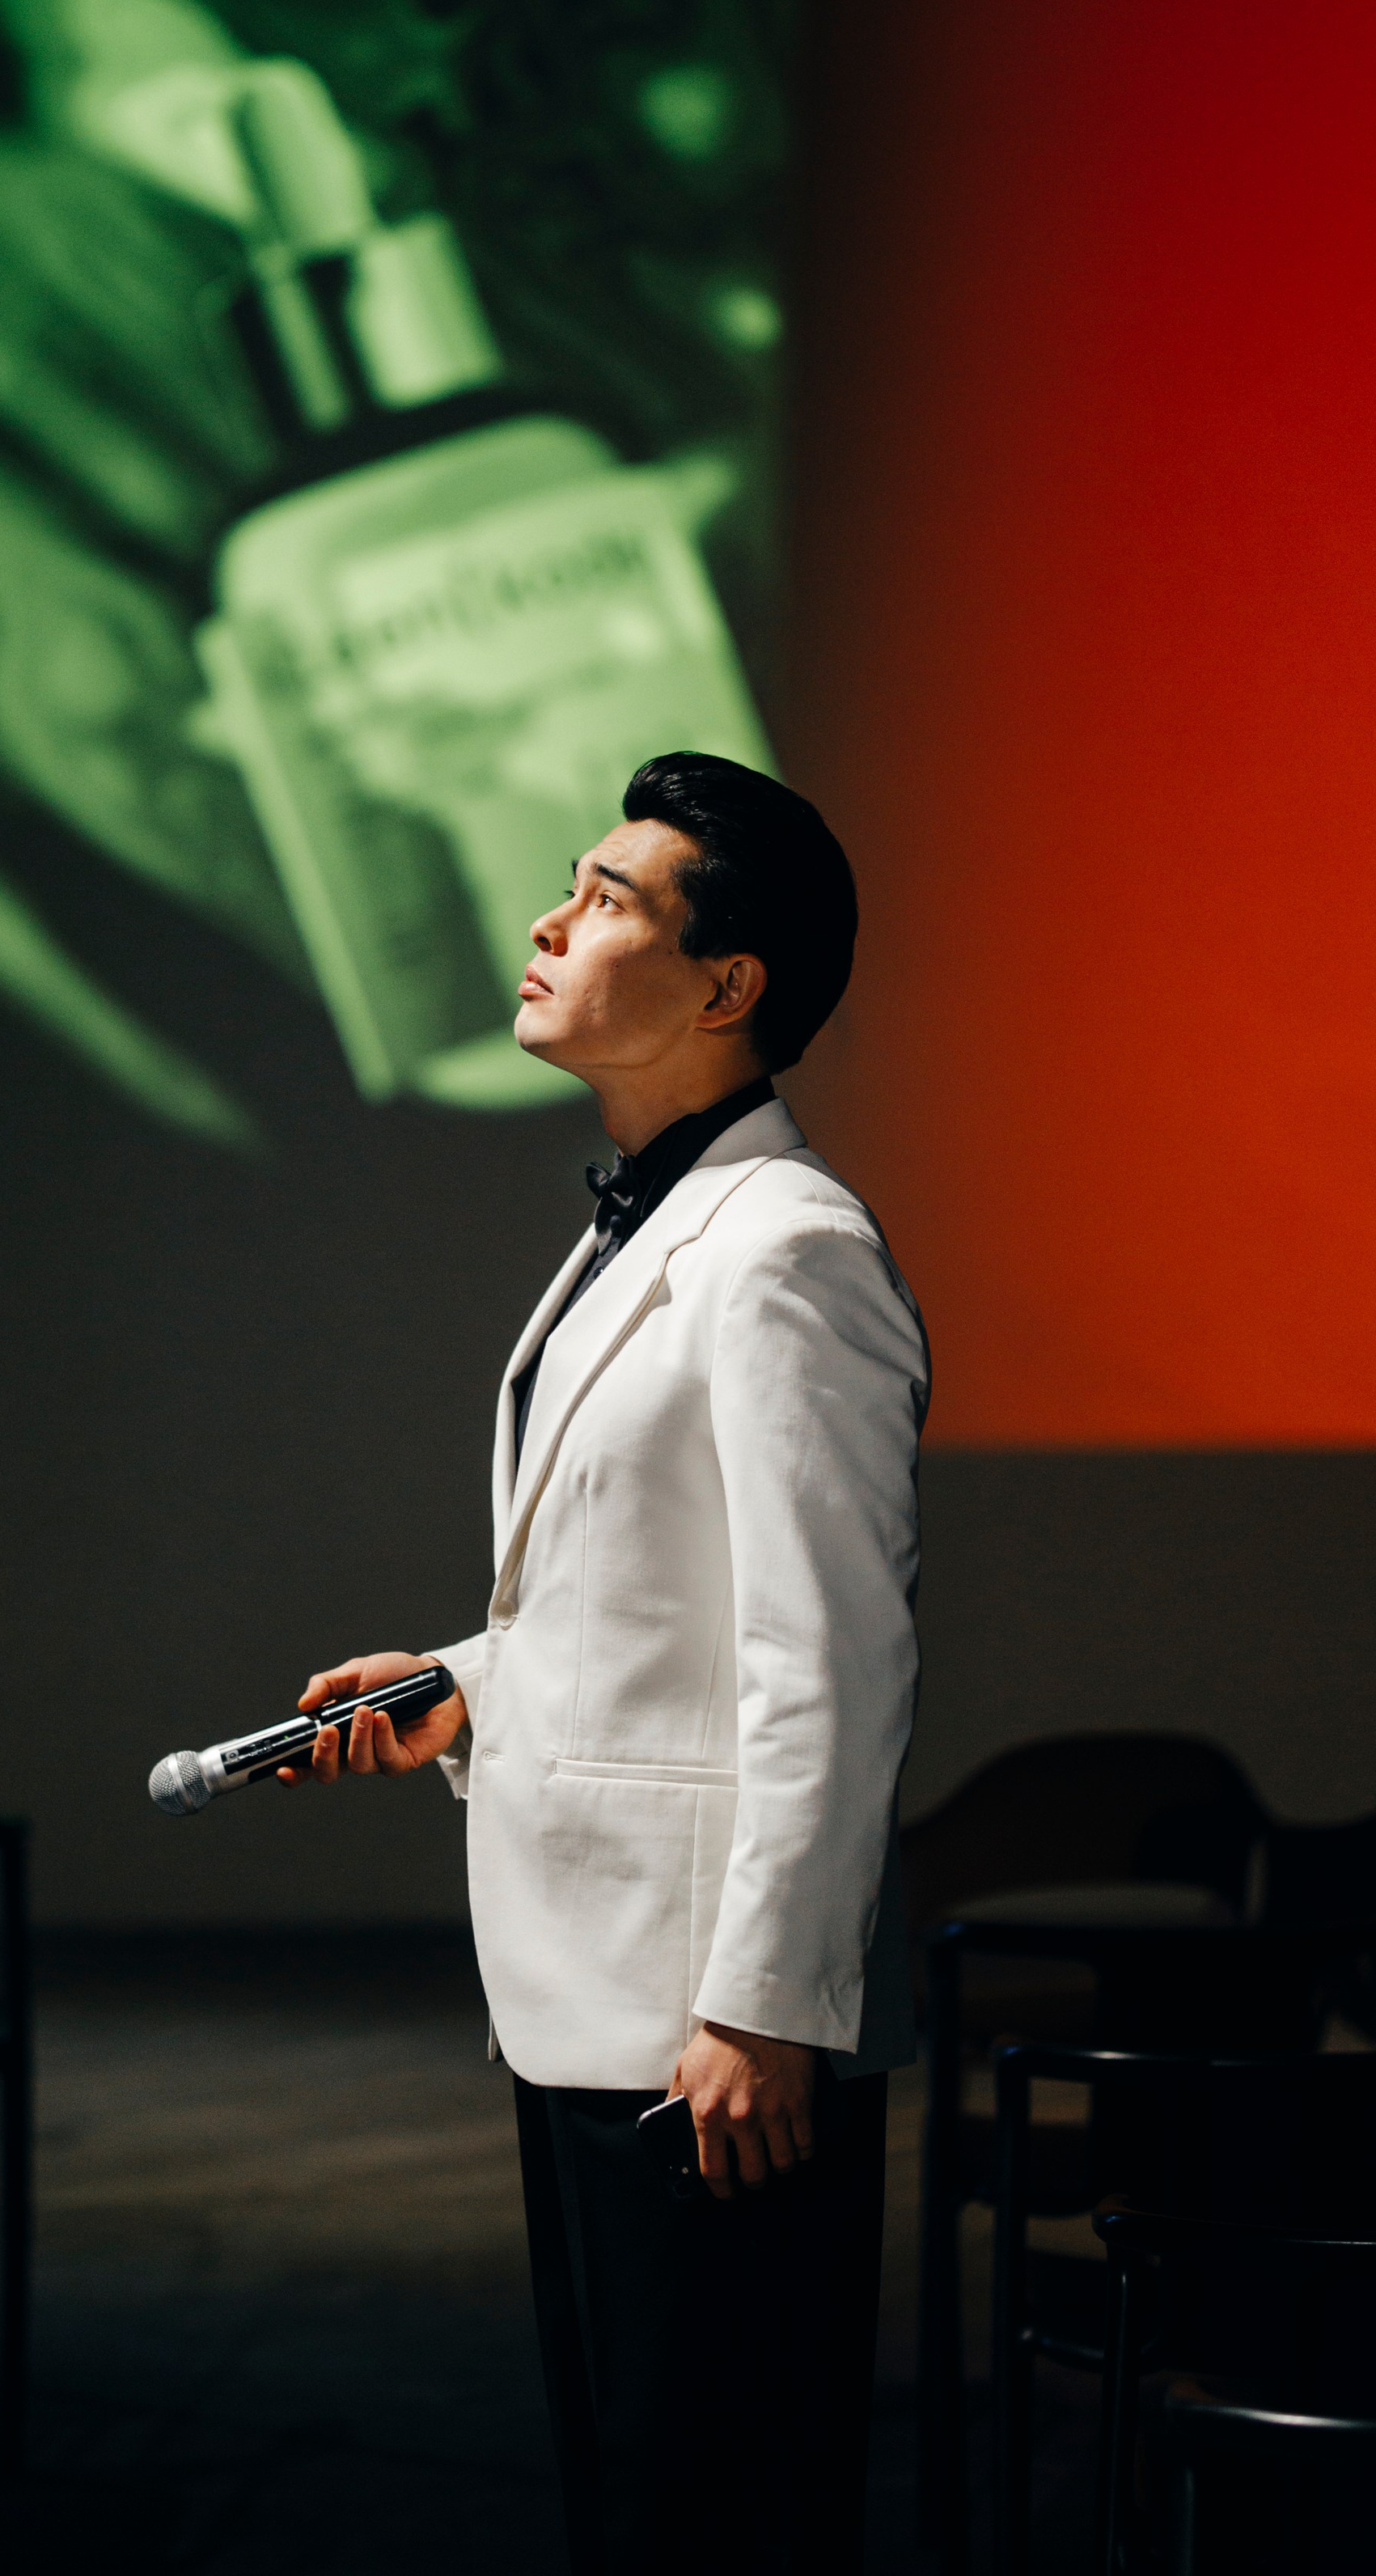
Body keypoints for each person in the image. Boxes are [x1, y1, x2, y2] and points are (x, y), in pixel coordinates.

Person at [288, 750, 928, 2573]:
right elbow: (634, 1596)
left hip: (699, 2024)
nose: (547, 923)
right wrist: (466, 1682)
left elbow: (831, 1652)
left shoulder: (783, 1251)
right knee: (639, 2494)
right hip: (597, 1994)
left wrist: (765, 2004)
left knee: (712, 2506)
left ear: (725, 988)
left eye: (606, 900)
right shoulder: (639, 1227)